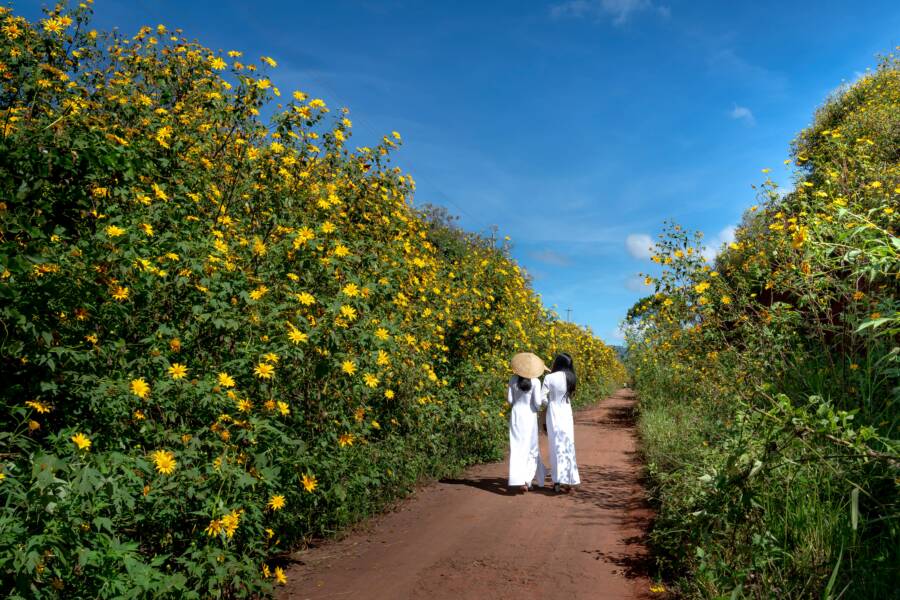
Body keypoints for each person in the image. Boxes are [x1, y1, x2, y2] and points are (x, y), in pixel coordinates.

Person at [507, 352, 548, 493]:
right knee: (531, 448)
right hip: (529, 416)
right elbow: (537, 403)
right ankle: (527, 479)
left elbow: (510, 401)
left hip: (516, 415)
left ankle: (517, 479)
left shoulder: (512, 379)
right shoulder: (536, 381)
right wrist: (539, 409)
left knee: (517, 447)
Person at [541, 352, 581, 492]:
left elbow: (542, 398)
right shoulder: (571, 378)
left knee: (555, 445)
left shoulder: (549, 377)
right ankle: (570, 481)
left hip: (553, 412)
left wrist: (550, 403)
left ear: (557, 363)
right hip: (566, 411)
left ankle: (557, 481)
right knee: (568, 444)